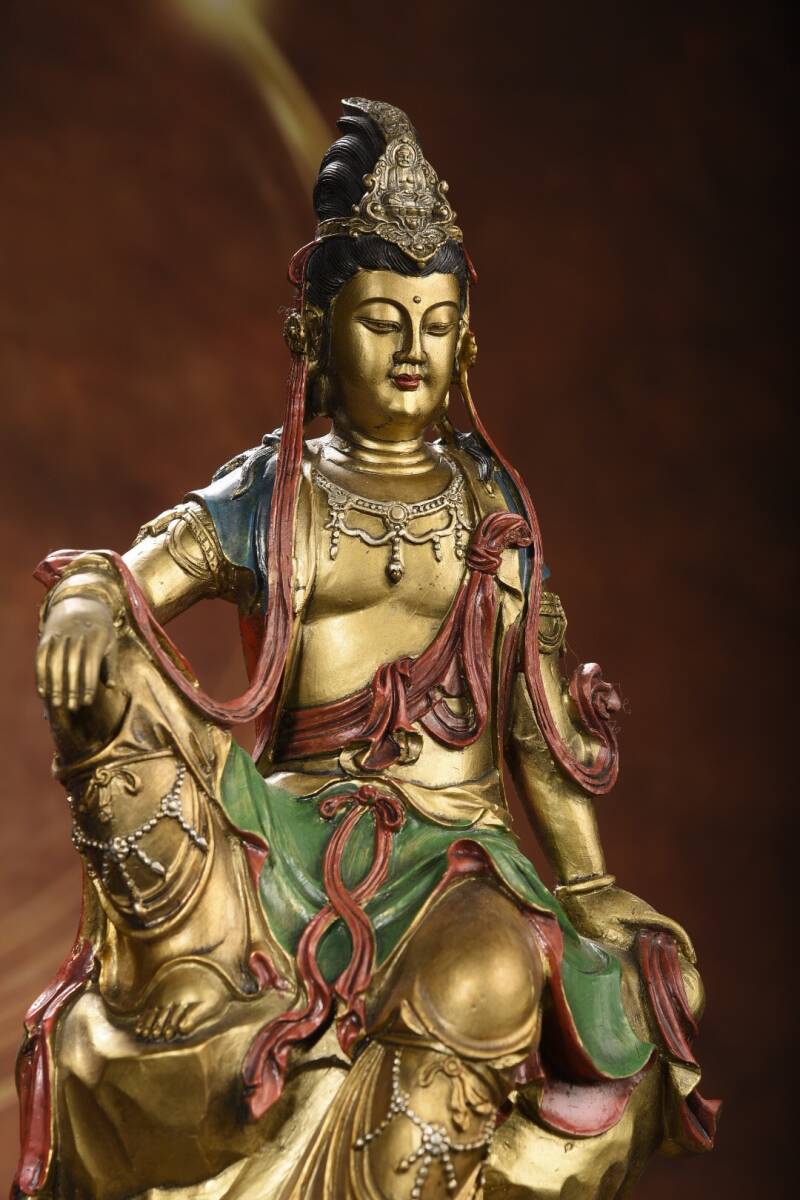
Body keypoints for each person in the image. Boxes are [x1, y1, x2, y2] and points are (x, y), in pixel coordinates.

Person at [16, 98, 717, 1200]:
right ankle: (189, 997)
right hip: (285, 842)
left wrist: (585, 883)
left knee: (490, 973)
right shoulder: (275, 490)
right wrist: (86, 607)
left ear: (465, 340)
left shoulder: (487, 505)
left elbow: (535, 715)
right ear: (317, 332)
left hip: (456, 853)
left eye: (435, 324)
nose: (410, 351)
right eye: (383, 320)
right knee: (115, 681)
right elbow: (127, 575)